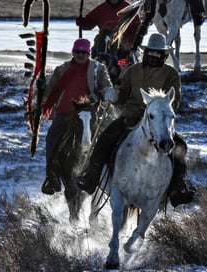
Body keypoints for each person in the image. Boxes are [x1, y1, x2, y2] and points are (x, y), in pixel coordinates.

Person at [77, 32, 195, 207]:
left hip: (158, 122)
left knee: (179, 147)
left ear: (164, 55)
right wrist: (113, 96)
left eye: (157, 53)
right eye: (151, 52)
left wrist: (159, 112)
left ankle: (177, 188)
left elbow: (173, 101)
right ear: (146, 52)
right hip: (130, 116)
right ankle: (91, 176)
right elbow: (122, 96)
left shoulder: (171, 74)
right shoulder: (133, 71)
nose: (153, 56)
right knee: (106, 137)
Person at [39, 38, 114, 195]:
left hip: (88, 113)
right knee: (52, 137)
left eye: (83, 52)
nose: (80, 55)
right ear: (72, 52)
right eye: (77, 52)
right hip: (65, 113)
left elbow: (106, 84)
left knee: (107, 138)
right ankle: (52, 176)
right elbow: (51, 88)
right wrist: (42, 89)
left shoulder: (98, 69)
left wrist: (108, 92)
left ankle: (109, 173)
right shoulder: (62, 69)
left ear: (89, 53)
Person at [76, 0, 140, 61]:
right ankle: (95, 67)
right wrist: (82, 22)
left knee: (127, 60)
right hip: (103, 40)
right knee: (94, 55)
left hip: (123, 41)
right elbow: (90, 23)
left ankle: (126, 67)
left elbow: (137, 27)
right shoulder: (101, 9)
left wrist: (129, 40)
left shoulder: (128, 8)